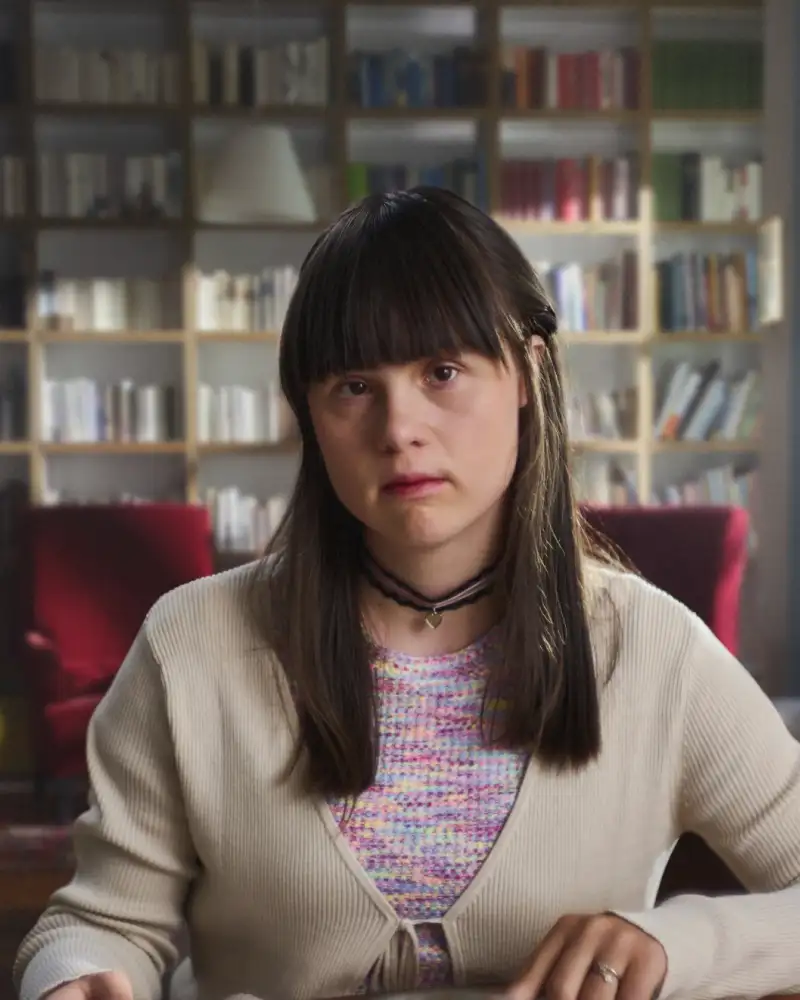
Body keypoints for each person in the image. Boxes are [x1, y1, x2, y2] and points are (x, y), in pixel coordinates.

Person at [13, 186, 800, 1000]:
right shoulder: (192, 642)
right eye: (354, 386)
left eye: (444, 371)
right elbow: (100, 923)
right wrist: (70, 979)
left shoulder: (654, 650)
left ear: (529, 373)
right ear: (309, 415)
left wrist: (675, 945)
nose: (400, 428)